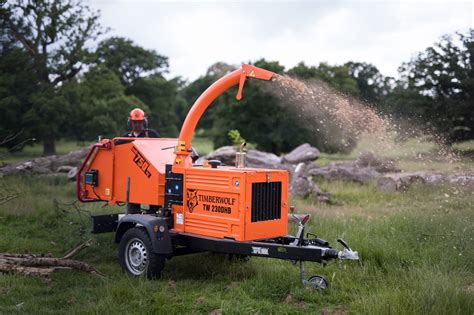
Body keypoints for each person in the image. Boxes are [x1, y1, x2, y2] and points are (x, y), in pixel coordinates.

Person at [123, 108, 159, 214]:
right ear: (130, 122)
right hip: (134, 175)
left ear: (144, 122)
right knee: (133, 200)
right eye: (134, 122)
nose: (137, 124)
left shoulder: (152, 135)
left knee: (154, 200)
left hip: (150, 173)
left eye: (139, 122)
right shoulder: (125, 138)